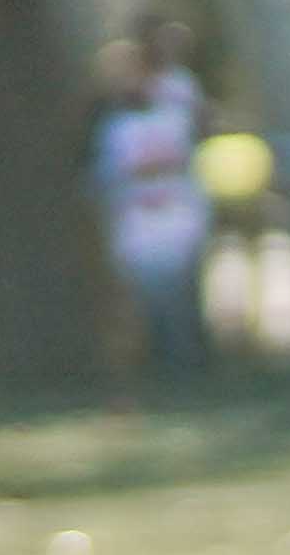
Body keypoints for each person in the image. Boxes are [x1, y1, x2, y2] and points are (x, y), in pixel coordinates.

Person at [90, 25, 214, 385]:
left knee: (183, 298)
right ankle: (163, 370)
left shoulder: (173, 111)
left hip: (177, 217)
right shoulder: (111, 126)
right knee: (150, 301)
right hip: (138, 222)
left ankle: (194, 368)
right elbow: (107, 174)